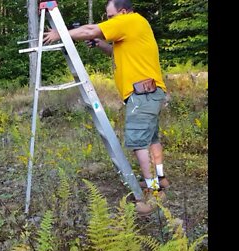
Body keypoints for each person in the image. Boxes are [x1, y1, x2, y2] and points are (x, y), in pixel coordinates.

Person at [43, 0, 169, 215]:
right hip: (149, 93)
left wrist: (60, 33)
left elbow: (91, 29)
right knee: (151, 138)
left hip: (142, 94)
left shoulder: (129, 20)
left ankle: (154, 193)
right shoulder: (135, 26)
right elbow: (117, 54)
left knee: (138, 141)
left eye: (110, 17)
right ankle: (161, 179)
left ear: (122, 12)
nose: (108, 21)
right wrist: (100, 44)